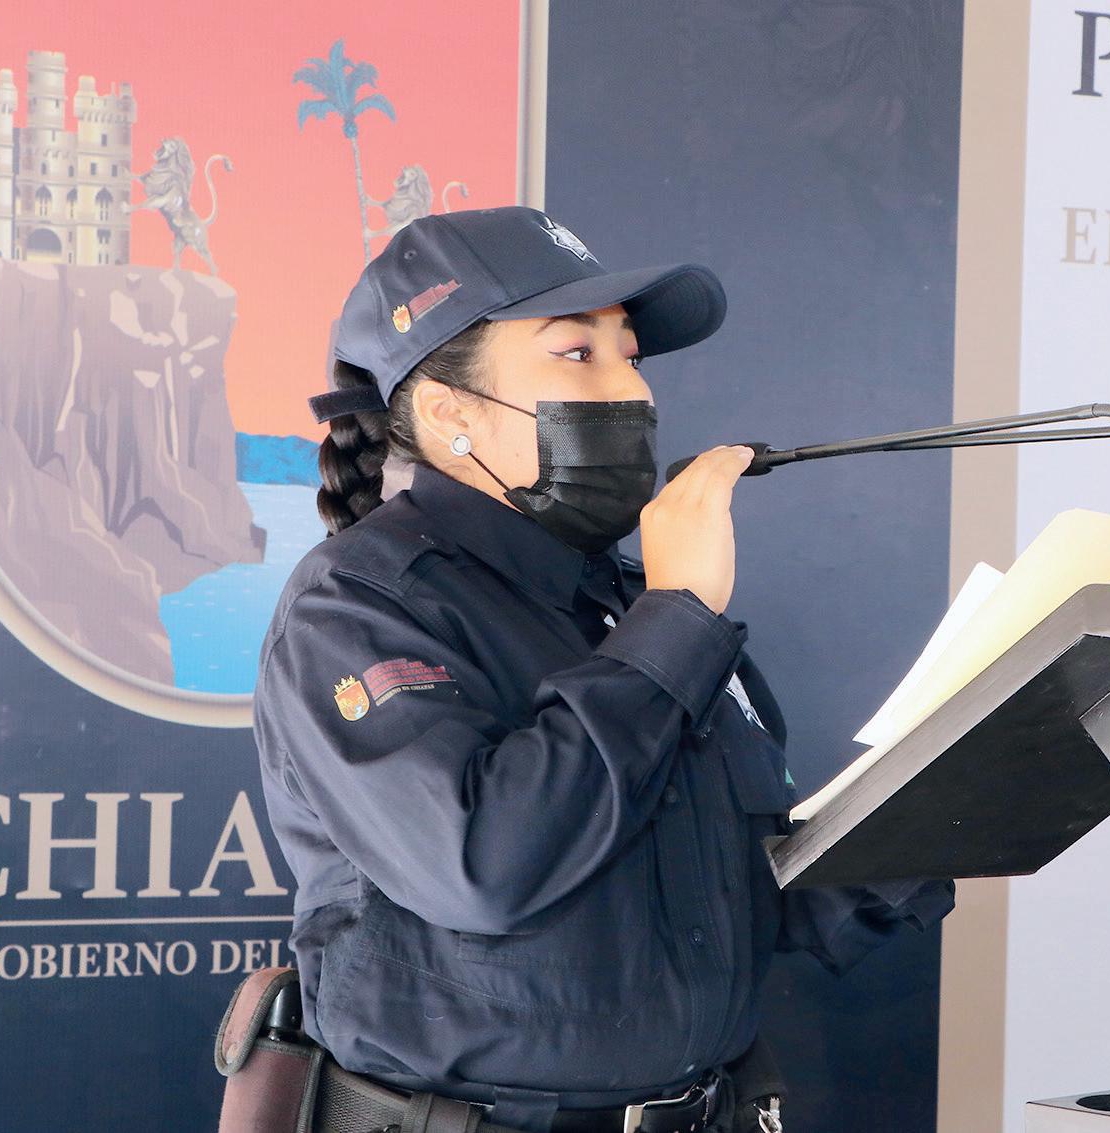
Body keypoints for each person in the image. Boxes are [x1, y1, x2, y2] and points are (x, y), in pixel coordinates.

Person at [252, 205, 955, 1133]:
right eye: (577, 354)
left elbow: (739, 895)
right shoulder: (357, 603)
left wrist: (960, 802)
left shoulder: (630, 598)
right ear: (450, 413)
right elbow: (486, 864)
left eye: (629, 354)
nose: (632, 387)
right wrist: (675, 618)